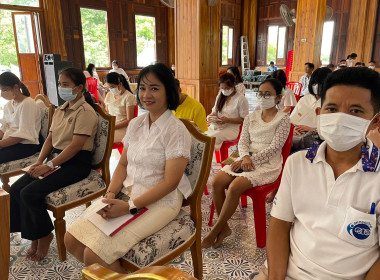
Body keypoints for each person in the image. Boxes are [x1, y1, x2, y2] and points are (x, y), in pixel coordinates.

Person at [64, 63, 192, 273]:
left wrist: (130, 206)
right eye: (142, 88)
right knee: (72, 239)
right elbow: (123, 163)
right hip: (127, 192)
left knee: (94, 255)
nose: (146, 94)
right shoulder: (136, 125)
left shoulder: (175, 130)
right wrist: (111, 192)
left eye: (154, 88)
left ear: (168, 91)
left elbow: (170, 183)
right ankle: (122, 275)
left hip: (160, 202)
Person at [257, 67, 380, 280]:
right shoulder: (298, 163)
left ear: (375, 121)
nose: (340, 118)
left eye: (355, 111)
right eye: (331, 109)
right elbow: (280, 224)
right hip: (285, 272)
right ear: (319, 114)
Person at [9, 68, 98, 261]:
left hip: (76, 164)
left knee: (29, 192)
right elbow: (50, 138)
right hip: (57, 160)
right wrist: (39, 162)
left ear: (79, 87)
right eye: (60, 84)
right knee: (16, 188)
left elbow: (75, 147)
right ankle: (35, 235)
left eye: (65, 84)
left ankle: (45, 236)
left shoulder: (85, 112)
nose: (61, 88)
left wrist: (48, 166)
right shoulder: (61, 109)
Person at [202, 78, 290, 249]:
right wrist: (244, 158)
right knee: (217, 181)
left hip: (267, 163)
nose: (263, 97)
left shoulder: (283, 119)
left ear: (278, 97)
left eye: (268, 95)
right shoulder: (251, 116)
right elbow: (242, 142)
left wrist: (250, 160)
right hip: (244, 157)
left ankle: (216, 230)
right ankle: (225, 228)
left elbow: (275, 148)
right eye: (261, 94)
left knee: (235, 187)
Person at [0, 72, 42, 164]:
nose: (2, 94)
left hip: (26, 145)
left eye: (4, 90)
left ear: (15, 87)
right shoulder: (8, 105)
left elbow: (23, 134)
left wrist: (1, 144)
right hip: (11, 141)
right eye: (1, 91)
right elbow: (4, 128)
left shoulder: (27, 103)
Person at [290, 67, 332, 151]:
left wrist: (312, 129)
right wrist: (293, 129)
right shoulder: (305, 99)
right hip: (298, 136)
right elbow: (291, 120)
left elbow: (332, 130)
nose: (315, 86)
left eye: (319, 83)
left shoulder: (332, 102)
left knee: (308, 155)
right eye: (313, 83)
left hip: (319, 139)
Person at [205, 73, 249, 151]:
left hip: (231, 129)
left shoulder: (241, 99)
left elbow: (244, 119)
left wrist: (228, 120)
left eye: (227, 88)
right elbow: (215, 111)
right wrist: (210, 117)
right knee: (202, 137)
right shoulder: (220, 96)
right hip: (216, 126)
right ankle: (203, 159)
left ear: (233, 86)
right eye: (222, 88)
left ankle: (205, 160)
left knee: (211, 139)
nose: (224, 91)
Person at [104, 72, 137, 142]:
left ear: (120, 84)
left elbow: (129, 120)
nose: (110, 90)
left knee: (103, 140)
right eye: (109, 88)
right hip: (111, 126)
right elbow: (106, 113)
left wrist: (112, 127)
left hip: (123, 128)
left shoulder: (129, 97)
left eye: (112, 87)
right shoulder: (109, 95)